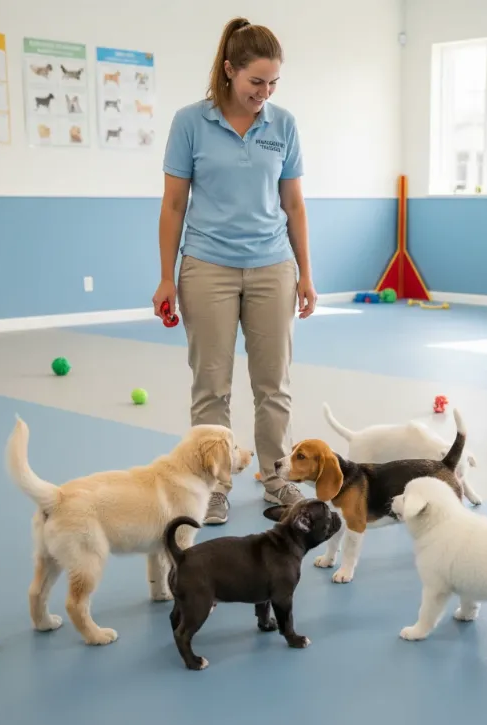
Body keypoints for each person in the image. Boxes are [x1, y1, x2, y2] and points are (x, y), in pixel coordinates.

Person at [153, 17, 317, 524]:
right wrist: (166, 276)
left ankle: (277, 477)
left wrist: (305, 274)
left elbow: (293, 204)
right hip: (207, 268)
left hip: (273, 267)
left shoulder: (282, 124)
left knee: (274, 384)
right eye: (255, 83)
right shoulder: (189, 122)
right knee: (212, 386)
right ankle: (214, 484)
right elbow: (174, 205)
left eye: (272, 84)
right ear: (229, 71)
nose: (263, 94)